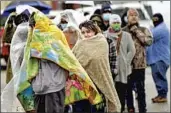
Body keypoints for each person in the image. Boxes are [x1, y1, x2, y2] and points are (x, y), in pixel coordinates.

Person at [1, 6, 102, 113]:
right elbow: (16, 45)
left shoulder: (53, 34)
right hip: (39, 88)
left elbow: (50, 53)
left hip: (54, 87)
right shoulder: (30, 38)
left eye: (31, 25)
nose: (30, 29)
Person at [72, 20, 121, 113]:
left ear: (95, 31)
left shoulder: (101, 42)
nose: (86, 35)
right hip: (82, 84)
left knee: (97, 109)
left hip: (98, 84)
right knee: (82, 108)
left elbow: (99, 61)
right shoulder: (79, 44)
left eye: (88, 32)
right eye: (83, 32)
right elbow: (74, 61)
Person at [122, 8, 153, 113]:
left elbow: (148, 42)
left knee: (141, 90)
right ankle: (130, 108)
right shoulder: (123, 30)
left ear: (138, 17)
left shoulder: (144, 29)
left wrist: (136, 30)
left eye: (135, 15)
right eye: (131, 15)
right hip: (127, 66)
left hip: (140, 65)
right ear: (127, 18)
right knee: (128, 89)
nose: (133, 16)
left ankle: (142, 109)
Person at [105, 14, 136, 113]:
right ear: (110, 24)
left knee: (121, 93)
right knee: (110, 94)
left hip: (123, 70)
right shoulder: (105, 35)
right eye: (114, 23)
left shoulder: (126, 35)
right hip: (109, 69)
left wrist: (126, 62)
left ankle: (121, 109)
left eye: (118, 22)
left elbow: (132, 50)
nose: (116, 24)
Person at [146, 13, 170, 103]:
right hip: (157, 58)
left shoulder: (161, 29)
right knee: (157, 76)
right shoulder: (158, 28)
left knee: (160, 76)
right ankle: (160, 94)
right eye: (154, 19)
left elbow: (149, 36)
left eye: (156, 19)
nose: (155, 21)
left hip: (160, 58)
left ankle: (163, 95)